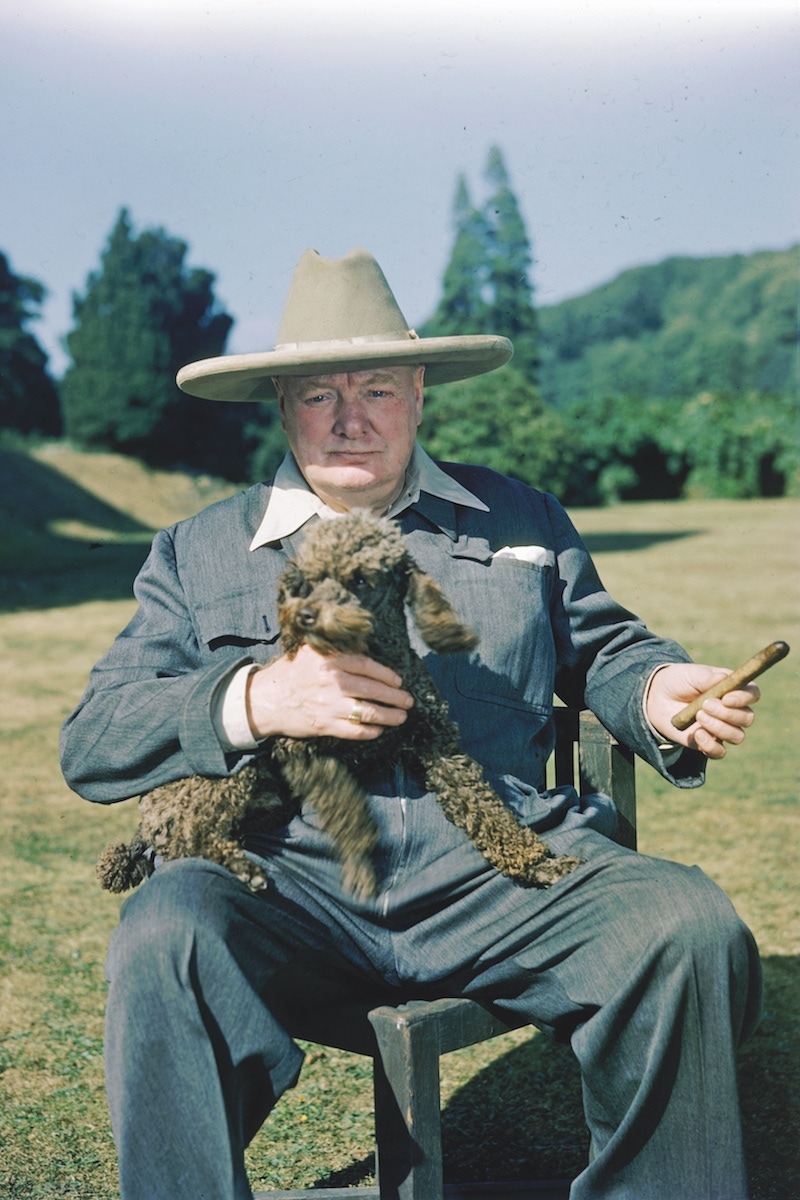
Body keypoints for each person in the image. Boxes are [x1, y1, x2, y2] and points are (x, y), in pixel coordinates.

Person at [60, 247, 763, 1200]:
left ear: (421, 392)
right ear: (279, 404)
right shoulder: (196, 550)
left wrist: (659, 693)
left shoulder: (522, 518)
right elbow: (94, 737)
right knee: (165, 929)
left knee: (687, 923)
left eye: (378, 388)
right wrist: (259, 698)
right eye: (319, 396)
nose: (351, 419)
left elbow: (607, 652)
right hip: (291, 883)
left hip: (501, 875)